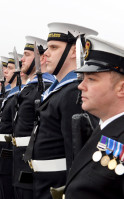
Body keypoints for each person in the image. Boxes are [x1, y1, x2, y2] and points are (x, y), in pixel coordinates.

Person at [23, 22, 98, 199]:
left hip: (57, 190)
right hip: (43, 185)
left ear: (74, 51)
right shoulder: (59, 91)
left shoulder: (73, 93)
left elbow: (76, 153)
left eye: (54, 47)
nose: (46, 53)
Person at [63, 36, 124, 198]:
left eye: (91, 79)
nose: (80, 86)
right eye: (83, 78)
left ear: (122, 88)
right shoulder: (105, 128)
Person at [12, 36, 55, 199]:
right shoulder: (30, 88)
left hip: (32, 168)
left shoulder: (45, 88)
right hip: (19, 163)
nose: (22, 59)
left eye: (27, 54)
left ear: (41, 58)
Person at [0, 52, 22, 199]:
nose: (5, 71)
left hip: (9, 157)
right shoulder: (9, 96)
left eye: (10, 68)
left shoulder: (18, 96)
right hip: (1, 155)